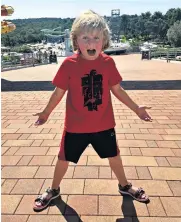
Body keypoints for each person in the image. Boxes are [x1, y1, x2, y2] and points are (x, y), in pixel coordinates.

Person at [33, 10, 152, 212]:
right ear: (75, 40)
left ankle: (125, 186)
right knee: (63, 159)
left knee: (114, 156)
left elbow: (117, 90)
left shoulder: (108, 63)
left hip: (104, 125)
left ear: (104, 40)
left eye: (96, 38)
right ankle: (53, 189)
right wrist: (46, 113)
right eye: (85, 38)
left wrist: (137, 109)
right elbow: (58, 93)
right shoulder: (69, 65)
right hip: (75, 127)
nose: (90, 43)